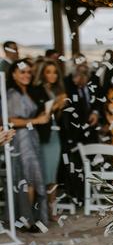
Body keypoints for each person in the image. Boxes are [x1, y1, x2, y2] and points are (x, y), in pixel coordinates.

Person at [6, 60, 50, 230]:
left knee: (32, 178)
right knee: (28, 178)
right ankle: (27, 220)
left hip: (31, 137)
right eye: (22, 72)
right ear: (13, 74)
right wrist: (37, 120)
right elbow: (10, 120)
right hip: (21, 139)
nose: (26, 75)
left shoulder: (28, 92)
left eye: (29, 73)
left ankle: (29, 218)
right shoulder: (12, 94)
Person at [59, 63, 100, 203]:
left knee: (91, 163)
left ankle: (91, 193)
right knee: (75, 165)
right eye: (75, 76)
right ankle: (78, 196)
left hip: (91, 133)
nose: (77, 80)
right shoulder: (68, 87)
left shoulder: (93, 83)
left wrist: (95, 112)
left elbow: (99, 101)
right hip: (74, 134)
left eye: (81, 76)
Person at [32, 60, 66, 221]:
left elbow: (59, 118)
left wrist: (60, 106)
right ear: (43, 73)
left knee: (53, 175)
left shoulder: (58, 90)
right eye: (48, 72)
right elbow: (39, 115)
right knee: (43, 173)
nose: (52, 75)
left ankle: (52, 211)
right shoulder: (36, 90)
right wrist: (55, 104)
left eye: (54, 72)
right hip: (42, 136)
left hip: (55, 136)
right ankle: (41, 211)